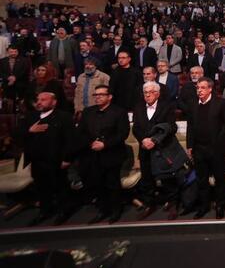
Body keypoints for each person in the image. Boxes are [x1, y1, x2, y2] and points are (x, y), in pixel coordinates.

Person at [19, 92, 75, 226]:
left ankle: (63, 211)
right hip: (37, 161)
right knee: (42, 188)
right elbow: (17, 134)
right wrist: (30, 130)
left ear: (54, 102)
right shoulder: (31, 116)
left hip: (56, 160)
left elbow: (70, 140)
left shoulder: (64, 117)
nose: (39, 102)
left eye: (43, 100)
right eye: (38, 99)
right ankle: (45, 211)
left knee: (60, 187)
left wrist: (67, 158)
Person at [78, 85, 129, 224]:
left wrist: (105, 144)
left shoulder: (119, 112)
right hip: (93, 154)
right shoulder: (88, 112)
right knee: (98, 183)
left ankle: (116, 210)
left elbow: (123, 133)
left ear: (109, 97)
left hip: (112, 154)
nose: (98, 97)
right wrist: (91, 143)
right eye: (96, 95)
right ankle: (102, 210)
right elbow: (81, 132)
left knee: (113, 184)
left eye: (101, 94)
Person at [185, 77, 225, 219]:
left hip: (216, 149)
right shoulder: (192, 104)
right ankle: (204, 206)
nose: (199, 90)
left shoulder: (220, 103)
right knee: (201, 179)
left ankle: (220, 205)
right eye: (198, 88)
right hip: (199, 148)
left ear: (210, 89)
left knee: (219, 178)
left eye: (203, 88)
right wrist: (189, 145)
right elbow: (190, 126)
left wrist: (220, 144)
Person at [131, 81, 177, 220]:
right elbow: (136, 128)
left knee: (168, 179)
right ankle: (149, 204)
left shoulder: (167, 107)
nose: (147, 95)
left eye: (151, 92)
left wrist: (154, 140)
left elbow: (171, 127)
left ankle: (173, 204)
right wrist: (143, 140)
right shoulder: (138, 107)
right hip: (145, 149)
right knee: (147, 179)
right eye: (145, 92)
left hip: (162, 148)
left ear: (157, 93)